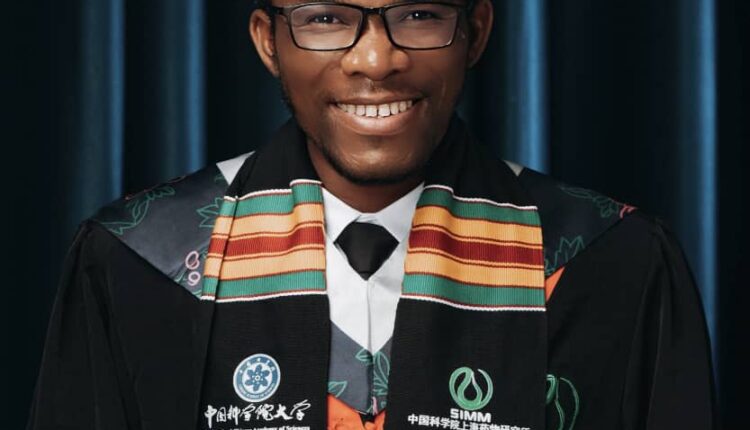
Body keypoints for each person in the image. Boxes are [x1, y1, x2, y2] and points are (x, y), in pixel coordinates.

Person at [28, 0, 717, 429]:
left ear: (476, 31)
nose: (376, 59)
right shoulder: (137, 262)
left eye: (418, 14)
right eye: (326, 18)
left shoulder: (612, 264)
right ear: (268, 41)